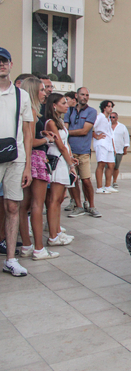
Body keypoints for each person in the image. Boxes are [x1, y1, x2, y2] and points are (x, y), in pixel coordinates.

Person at [18, 77, 60, 259]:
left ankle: (27, 245)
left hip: (24, 161)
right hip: (35, 159)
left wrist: (41, 132)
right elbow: (29, 140)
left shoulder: (23, 111)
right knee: (37, 204)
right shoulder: (33, 112)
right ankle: (39, 248)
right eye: (43, 90)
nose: (45, 93)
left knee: (23, 205)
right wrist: (46, 139)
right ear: (34, 91)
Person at [0, 47, 33, 276]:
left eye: (4, 61)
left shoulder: (22, 95)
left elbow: (28, 131)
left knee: (13, 206)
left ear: (11, 64)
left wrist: (28, 165)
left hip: (15, 157)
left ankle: (11, 259)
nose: (1, 65)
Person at [45, 94, 77, 246]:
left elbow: (66, 144)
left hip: (63, 160)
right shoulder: (50, 122)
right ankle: (53, 236)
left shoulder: (59, 122)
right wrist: (70, 163)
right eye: (63, 103)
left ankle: (57, 231)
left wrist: (70, 159)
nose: (67, 105)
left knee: (58, 200)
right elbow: (60, 145)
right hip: (57, 160)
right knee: (54, 200)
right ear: (54, 105)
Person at [65, 87, 100, 218]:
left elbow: (85, 131)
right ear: (76, 96)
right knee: (73, 180)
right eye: (82, 94)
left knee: (86, 180)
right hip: (70, 151)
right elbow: (66, 126)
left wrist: (67, 133)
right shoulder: (69, 110)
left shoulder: (91, 111)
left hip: (83, 151)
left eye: (87, 95)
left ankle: (91, 205)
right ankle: (78, 206)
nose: (85, 97)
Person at [94, 100, 117, 193]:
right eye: (109, 106)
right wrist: (96, 136)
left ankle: (108, 185)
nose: (110, 108)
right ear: (104, 108)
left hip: (109, 144)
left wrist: (113, 146)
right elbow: (91, 126)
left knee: (111, 164)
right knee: (101, 164)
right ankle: (99, 187)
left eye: (111, 106)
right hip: (101, 143)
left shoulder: (108, 119)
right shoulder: (100, 117)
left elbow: (110, 134)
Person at [110, 112, 129, 188]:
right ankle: (107, 182)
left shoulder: (122, 127)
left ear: (117, 118)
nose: (111, 119)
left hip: (119, 150)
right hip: (108, 150)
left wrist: (125, 148)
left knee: (116, 167)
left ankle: (114, 181)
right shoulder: (107, 126)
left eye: (113, 117)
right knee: (108, 167)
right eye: (110, 117)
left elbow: (126, 138)